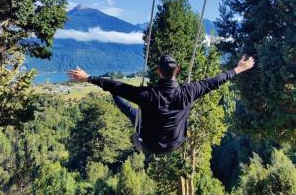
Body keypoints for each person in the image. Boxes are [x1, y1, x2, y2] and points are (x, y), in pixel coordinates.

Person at [68, 54, 254, 155]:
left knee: (127, 106)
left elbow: (115, 85)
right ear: (178, 71)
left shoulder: (146, 95)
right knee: (131, 109)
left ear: (158, 72)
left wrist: (88, 78)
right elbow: (215, 81)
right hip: (175, 144)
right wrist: (239, 68)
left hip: (148, 144)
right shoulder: (189, 92)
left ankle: (113, 98)